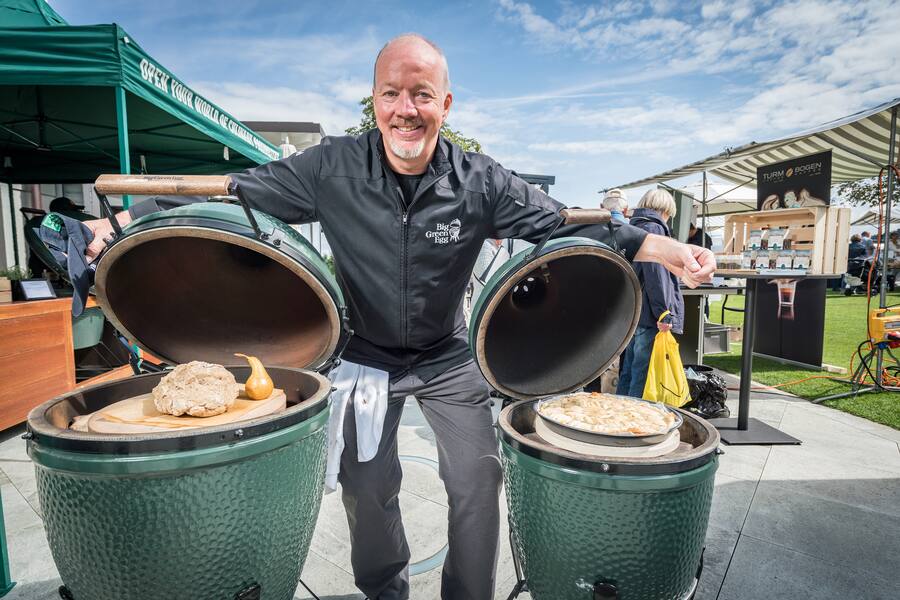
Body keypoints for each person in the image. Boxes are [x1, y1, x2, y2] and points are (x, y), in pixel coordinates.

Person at [84, 34, 715, 600]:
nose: (404, 109)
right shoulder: (331, 167)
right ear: (375, 100)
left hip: (448, 356)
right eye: (391, 94)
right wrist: (117, 221)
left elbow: (565, 220)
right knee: (364, 485)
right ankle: (384, 591)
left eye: (421, 95)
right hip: (365, 356)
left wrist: (668, 248)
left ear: (446, 105)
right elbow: (238, 190)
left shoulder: (480, 181)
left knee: (477, 476)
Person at [616, 189, 685, 399]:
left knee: (627, 370)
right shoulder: (655, 229)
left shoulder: (631, 229)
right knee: (642, 373)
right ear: (665, 210)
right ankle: (634, 419)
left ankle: (618, 412)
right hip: (649, 315)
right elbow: (657, 276)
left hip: (631, 311)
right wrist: (664, 312)